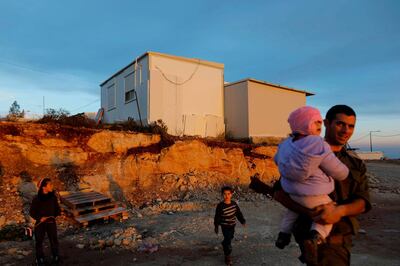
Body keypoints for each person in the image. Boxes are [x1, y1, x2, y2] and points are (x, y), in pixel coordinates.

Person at [273, 105, 372, 266]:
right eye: (340, 124)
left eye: (351, 126)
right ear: (326, 123)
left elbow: (363, 202)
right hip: (309, 237)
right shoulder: (303, 152)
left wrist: (339, 211)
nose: (345, 130)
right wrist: (313, 212)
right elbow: (279, 193)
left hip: (339, 240)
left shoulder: (356, 164)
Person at [30, 178, 61, 265]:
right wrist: (40, 218)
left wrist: (54, 215)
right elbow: (32, 212)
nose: (52, 186)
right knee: (39, 241)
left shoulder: (53, 197)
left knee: (54, 240)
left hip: (51, 223)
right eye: (50, 185)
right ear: (44, 187)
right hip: (40, 224)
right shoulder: (36, 199)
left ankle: (56, 256)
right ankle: (40, 259)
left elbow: (57, 209)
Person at [214, 186, 246, 265]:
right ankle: (227, 256)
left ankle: (225, 243)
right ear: (222, 195)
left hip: (232, 225)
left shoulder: (234, 204)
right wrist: (216, 226)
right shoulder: (220, 206)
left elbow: (238, 213)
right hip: (225, 226)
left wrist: (242, 221)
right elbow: (217, 216)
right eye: (224, 194)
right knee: (228, 241)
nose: (226, 196)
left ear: (231, 194)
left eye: (228, 194)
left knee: (230, 237)